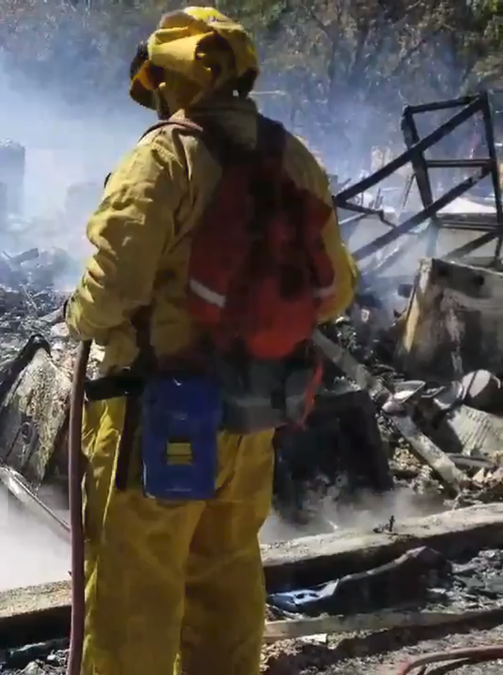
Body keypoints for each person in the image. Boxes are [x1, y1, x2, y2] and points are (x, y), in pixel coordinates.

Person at [63, 7, 359, 675]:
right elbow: (336, 290)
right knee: (225, 576)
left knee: (135, 590)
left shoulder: (164, 157)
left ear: (165, 76)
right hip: (252, 411)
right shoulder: (295, 159)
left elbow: (113, 289)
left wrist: (78, 316)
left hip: (156, 414)